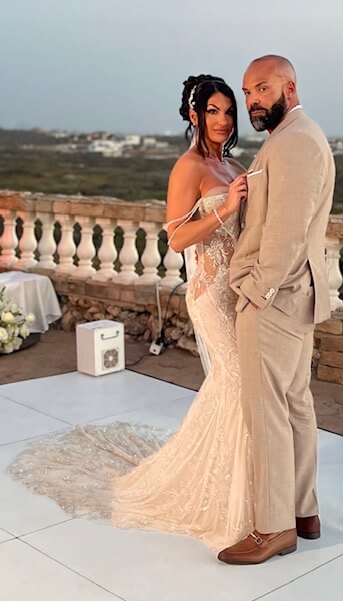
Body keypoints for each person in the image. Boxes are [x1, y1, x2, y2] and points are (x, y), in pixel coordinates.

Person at [8, 74, 254, 552]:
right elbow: (177, 238)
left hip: (238, 291)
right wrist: (227, 209)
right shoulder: (188, 168)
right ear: (194, 115)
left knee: (237, 386)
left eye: (229, 112)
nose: (223, 120)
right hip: (210, 293)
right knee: (236, 381)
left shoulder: (234, 166)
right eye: (213, 111)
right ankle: (223, 496)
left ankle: (242, 484)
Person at [218, 55, 336, 565]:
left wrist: (254, 292)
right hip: (292, 297)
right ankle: (303, 513)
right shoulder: (289, 138)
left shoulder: (296, 142)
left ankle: (272, 528)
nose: (252, 101)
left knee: (267, 413)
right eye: (247, 92)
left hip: (275, 300)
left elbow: (286, 235)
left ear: (290, 87)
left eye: (262, 88)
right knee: (293, 405)